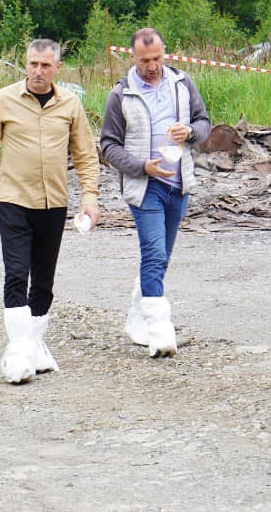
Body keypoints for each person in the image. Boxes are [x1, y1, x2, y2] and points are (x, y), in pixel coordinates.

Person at [0, 39, 100, 385]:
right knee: (16, 274)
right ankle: (19, 354)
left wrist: (90, 198)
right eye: (33, 64)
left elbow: (85, 155)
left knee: (44, 281)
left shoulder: (70, 104)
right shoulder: (4, 99)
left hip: (54, 202)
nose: (38, 71)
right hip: (14, 200)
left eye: (45, 65)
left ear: (57, 69)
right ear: (26, 64)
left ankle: (32, 345)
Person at [99, 27, 213, 358]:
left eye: (157, 58)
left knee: (162, 255)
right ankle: (160, 331)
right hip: (144, 185)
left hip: (179, 185)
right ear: (133, 57)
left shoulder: (182, 83)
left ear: (165, 54)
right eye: (144, 60)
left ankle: (137, 319)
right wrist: (141, 167)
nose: (151, 66)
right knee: (153, 253)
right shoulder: (121, 94)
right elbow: (108, 145)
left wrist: (189, 131)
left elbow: (204, 124)